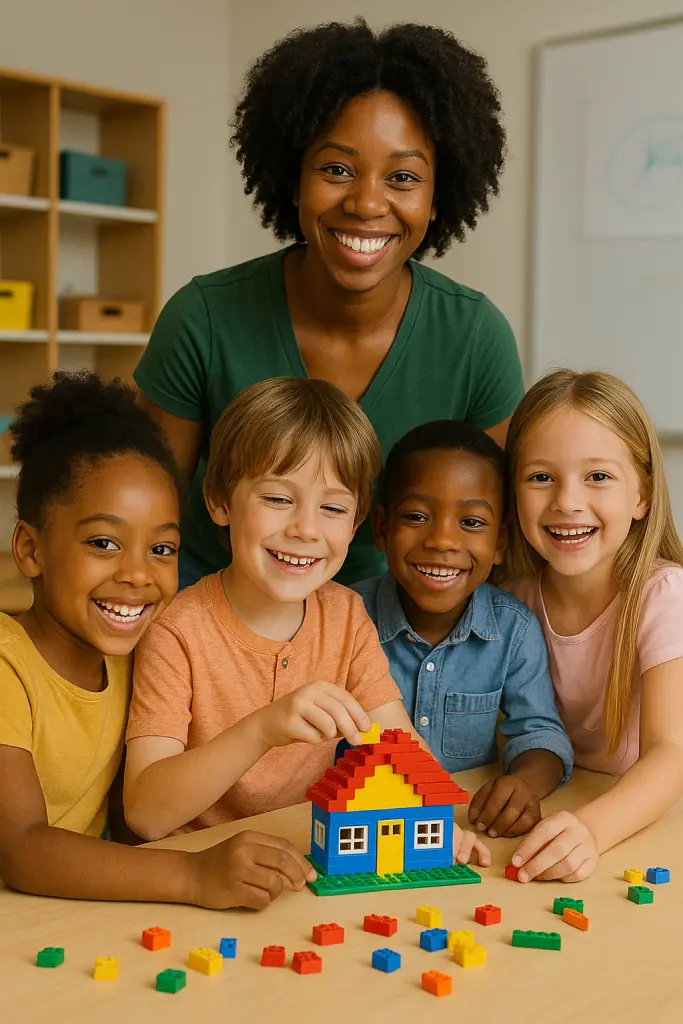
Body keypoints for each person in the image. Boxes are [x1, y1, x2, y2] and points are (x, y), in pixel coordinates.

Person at [133, 19, 524, 588]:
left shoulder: (476, 336)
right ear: (294, 182)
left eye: (403, 177)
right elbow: (149, 519)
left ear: (438, 198)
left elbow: (491, 535)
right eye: (336, 169)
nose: (367, 202)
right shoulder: (203, 319)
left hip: (390, 617)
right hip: (213, 602)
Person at [123, 378, 490, 866]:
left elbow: (397, 743)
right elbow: (146, 814)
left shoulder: (345, 616)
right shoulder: (176, 631)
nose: (305, 529)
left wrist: (442, 824)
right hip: (199, 867)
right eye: (278, 499)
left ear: (356, 523)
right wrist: (262, 729)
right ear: (219, 500)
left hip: (304, 861)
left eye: (333, 508)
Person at [0, 371, 315, 910]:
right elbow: (23, 849)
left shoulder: (137, 658)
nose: (138, 575)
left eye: (163, 549)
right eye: (104, 542)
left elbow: (132, 816)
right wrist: (192, 877)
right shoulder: (8, 665)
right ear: (30, 550)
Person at [504, 369, 683, 882]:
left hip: (636, 829)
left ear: (642, 495)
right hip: (558, 813)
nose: (566, 501)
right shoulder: (508, 603)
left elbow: (671, 752)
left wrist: (592, 829)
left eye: (597, 477)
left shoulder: (663, 596)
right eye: (541, 477)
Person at [353, 420, 572, 839]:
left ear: (501, 542)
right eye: (417, 516)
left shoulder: (514, 630)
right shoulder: (342, 620)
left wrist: (525, 783)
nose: (442, 541)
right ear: (382, 529)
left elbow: (539, 733)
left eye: (471, 522)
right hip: (362, 830)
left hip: (464, 835)